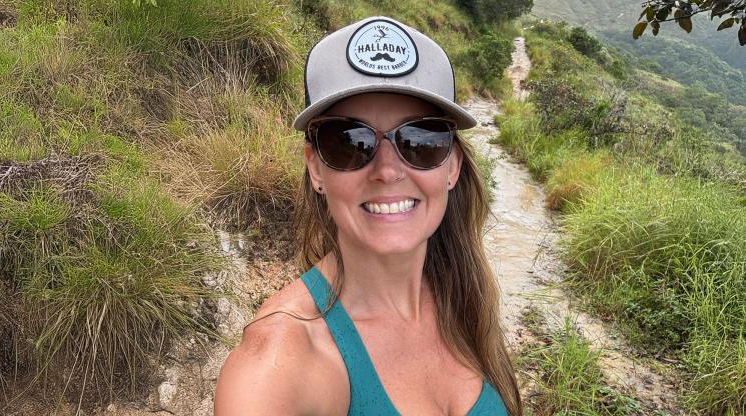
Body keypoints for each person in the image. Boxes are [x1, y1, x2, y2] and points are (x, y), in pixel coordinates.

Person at [214, 16, 522, 415]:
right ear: (316, 168)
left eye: (421, 140)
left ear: (452, 166)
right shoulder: (277, 365)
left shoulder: (463, 295)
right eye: (349, 142)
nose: (388, 171)